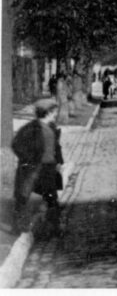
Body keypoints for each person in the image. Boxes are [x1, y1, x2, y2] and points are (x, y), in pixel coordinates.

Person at [11, 98, 64, 236]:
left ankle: (55, 227)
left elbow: (56, 146)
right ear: (47, 112)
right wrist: (29, 159)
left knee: (51, 198)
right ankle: (17, 227)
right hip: (34, 168)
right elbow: (16, 145)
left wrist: (59, 161)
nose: (56, 114)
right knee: (23, 196)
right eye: (54, 111)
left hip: (49, 168)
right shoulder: (31, 128)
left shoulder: (51, 127)